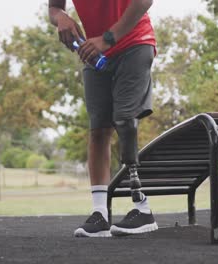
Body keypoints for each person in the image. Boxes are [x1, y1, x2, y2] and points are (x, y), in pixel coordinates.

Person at [48, 0, 157, 237]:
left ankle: (142, 208)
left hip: (134, 42)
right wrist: (61, 18)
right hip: (95, 53)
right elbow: (54, 8)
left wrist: (107, 39)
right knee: (98, 131)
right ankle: (100, 215)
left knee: (125, 119)